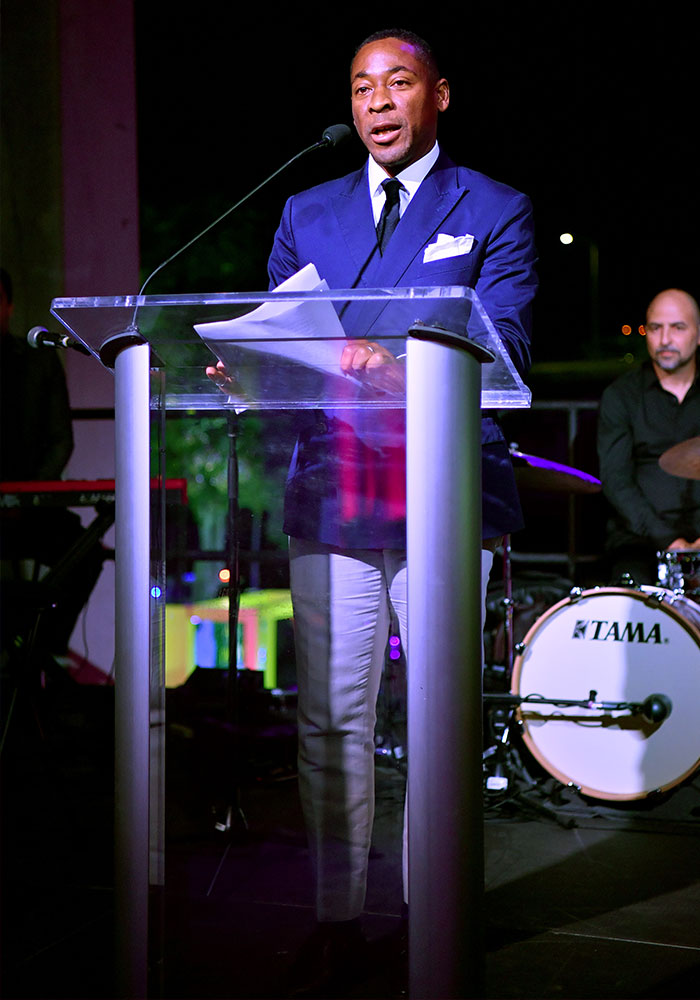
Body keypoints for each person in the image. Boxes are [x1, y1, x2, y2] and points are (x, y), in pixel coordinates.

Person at [208, 27, 537, 994]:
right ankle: (337, 918)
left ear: (440, 95)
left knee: (435, 719)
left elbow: (505, 347)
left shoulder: (497, 207)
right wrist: (251, 368)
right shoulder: (308, 210)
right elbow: (281, 332)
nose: (377, 103)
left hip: (447, 491)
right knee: (331, 717)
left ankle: (432, 914)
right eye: (361, 88)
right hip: (335, 490)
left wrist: (396, 367)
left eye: (398, 83)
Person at [0, 267, 107, 663]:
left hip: (33, 510)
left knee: (86, 556)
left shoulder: (36, 364)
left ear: (9, 306)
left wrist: (27, 498)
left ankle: (41, 650)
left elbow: (61, 439)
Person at [597, 287, 700, 587]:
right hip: (639, 540)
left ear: (697, 334)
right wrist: (669, 541)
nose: (665, 339)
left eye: (678, 327)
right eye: (656, 328)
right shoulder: (621, 396)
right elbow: (616, 481)